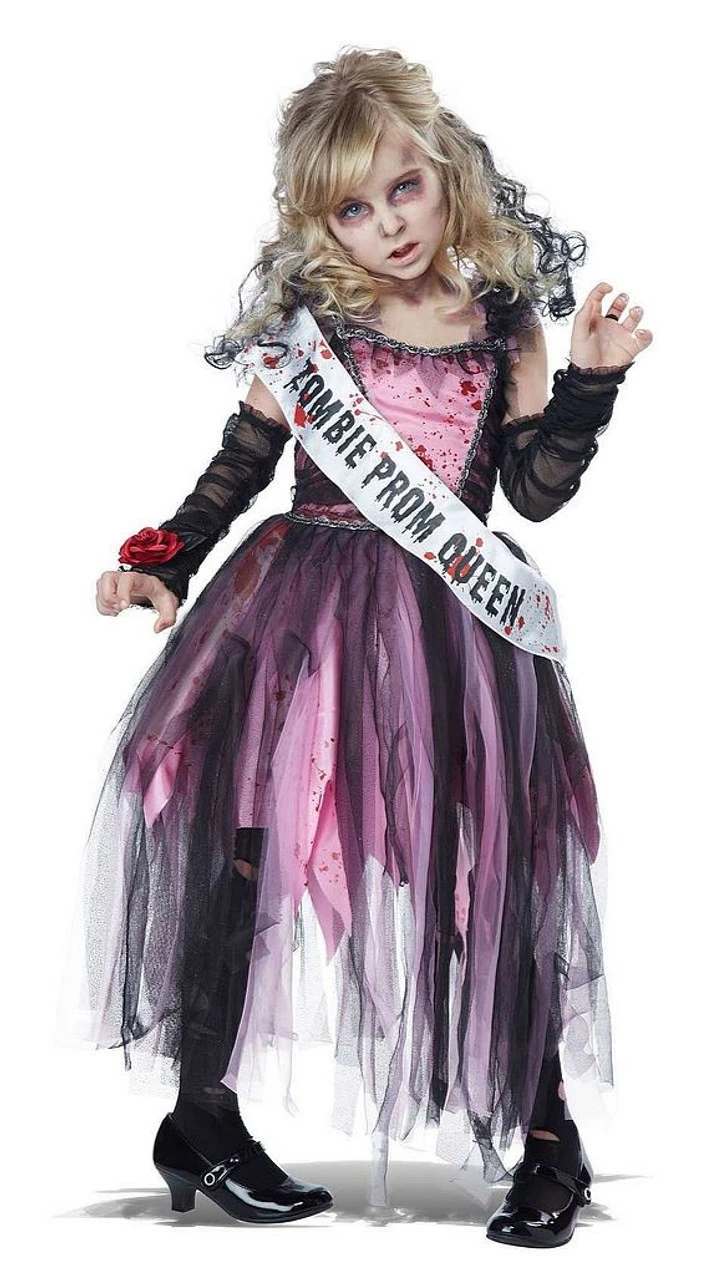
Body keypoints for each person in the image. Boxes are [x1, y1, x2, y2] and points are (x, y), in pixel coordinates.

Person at [68, 47, 651, 1243]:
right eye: (351, 206)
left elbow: (532, 493)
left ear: (446, 171)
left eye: (404, 188)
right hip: (298, 620)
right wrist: (164, 560)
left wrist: (590, 386)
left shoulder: (504, 324)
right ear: (315, 218)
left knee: (481, 867)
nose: (387, 223)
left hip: (452, 631)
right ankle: (201, 1116)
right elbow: (238, 466)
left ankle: (547, 1132)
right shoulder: (311, 331)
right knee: (245, 851)